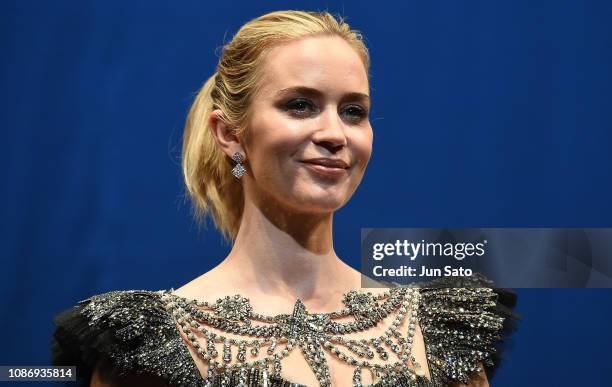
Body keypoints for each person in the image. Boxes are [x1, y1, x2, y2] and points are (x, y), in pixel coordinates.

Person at [51, 10, 517, 387]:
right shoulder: (148, 344)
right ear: (230, 134)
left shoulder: (437, 332)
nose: (334, 134)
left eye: (354, 111)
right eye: (300, 105)